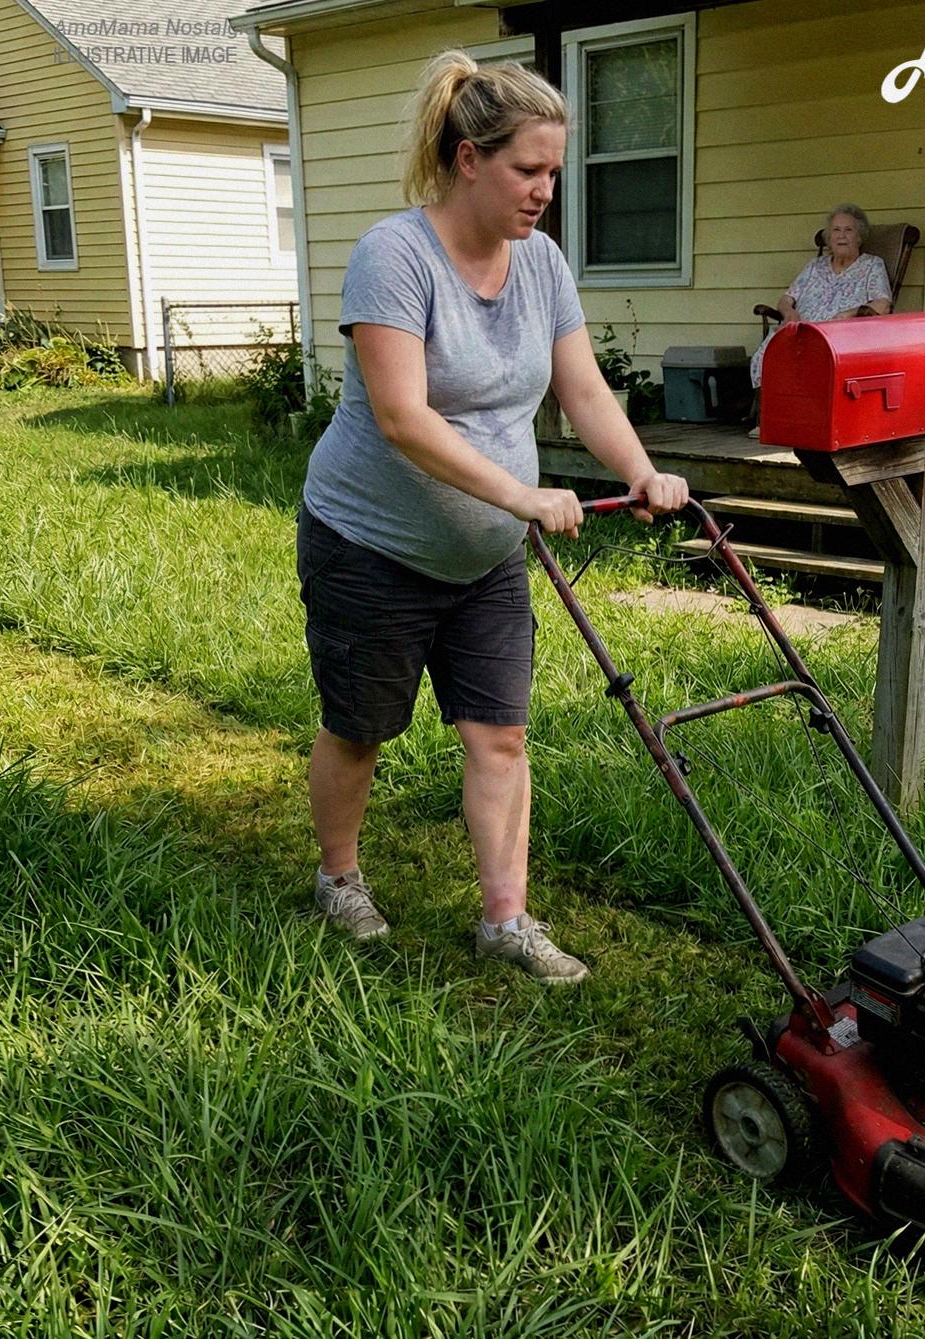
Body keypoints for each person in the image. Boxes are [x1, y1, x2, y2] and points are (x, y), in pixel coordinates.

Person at [296, 50, 688, 986]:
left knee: (500, 734)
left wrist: (640, 469)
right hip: (370, 542)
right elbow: (403, 417)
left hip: (483, 559)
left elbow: (582, 389)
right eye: (529, 169)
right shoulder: (394, 255)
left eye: (554, 171)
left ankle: (506, 919)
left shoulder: (543, 264)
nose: (546, 190)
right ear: (469, 158)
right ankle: (338, 875)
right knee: (361, 725)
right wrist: (521, 496)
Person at [749, 204, 893, 406]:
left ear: (859, 237)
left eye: (848, 230)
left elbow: (883, 304)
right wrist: (788, 312)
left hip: (839, 337)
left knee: (814, 358)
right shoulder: (814, 266)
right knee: (770, 351)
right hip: (798, 331)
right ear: (829, 238)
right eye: (836, 230)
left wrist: (849, 314)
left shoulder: (872, 265)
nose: (841, 236)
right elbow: (787, 298)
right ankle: (774, 415)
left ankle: (810, 415)